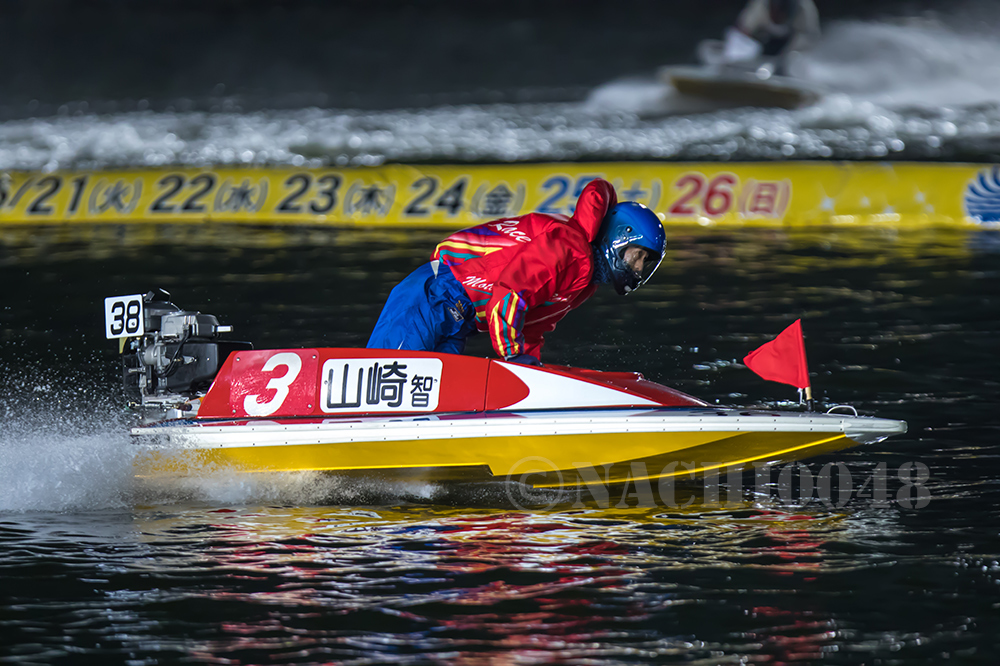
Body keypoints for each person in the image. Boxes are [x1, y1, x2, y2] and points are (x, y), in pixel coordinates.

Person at [367, 178, 666, 365]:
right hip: (434, 295)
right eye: (638, 256)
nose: (638, 268)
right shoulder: (570, 247)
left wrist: (529, 369)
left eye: (646, 263)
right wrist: (513, 355)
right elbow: (509, 297)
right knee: (385, 379)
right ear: (619, 237)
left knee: (422, 401)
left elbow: (532, 326)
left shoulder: (583, 281)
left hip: (459, 317)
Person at [701, 0, 820, 75]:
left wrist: (788, 55)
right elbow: (744, 28)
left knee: (791, 62)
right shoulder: (760, 5)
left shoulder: (803, 9)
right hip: (764, 42)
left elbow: (809, 37)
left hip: (791, 47)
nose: (776, 15)